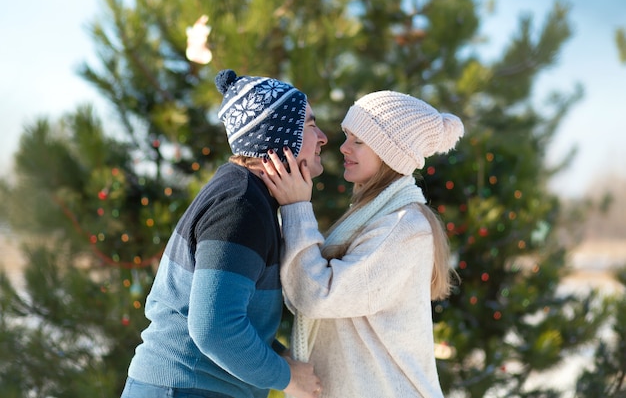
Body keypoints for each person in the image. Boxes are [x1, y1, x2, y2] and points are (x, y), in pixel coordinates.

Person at [121, 69, 328, 398]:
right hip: (183, 389)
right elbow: (213, 328)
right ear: (279, 138)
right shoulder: (240, 205)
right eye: (310, 125)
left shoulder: (248, 197)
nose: (323, 138)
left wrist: (280, 355)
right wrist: (288, 377)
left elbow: (232, 315)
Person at [260, 90, 464, 398]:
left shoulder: (404, 227)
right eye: (346, 136)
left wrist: (296, 208)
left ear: (389, 153)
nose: (342, 147)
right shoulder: (374, 217)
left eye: (359, 141)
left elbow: (319, 295)